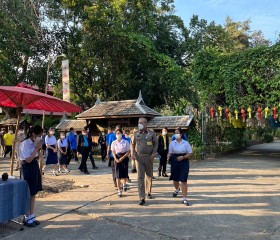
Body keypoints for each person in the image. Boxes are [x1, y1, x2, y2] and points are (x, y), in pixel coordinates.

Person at [19, 125, 43, 227]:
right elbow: (28, 160)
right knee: (28, 193)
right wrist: (36, 149)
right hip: (27, 168)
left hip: (34, 167)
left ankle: (32, 215)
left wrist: (40, 149)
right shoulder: (24, 144)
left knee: (33, 193)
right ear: (34, 134)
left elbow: (39, 158)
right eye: (39, 135)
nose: (40, 137)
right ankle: (26, 217)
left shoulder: (34, 143)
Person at [131, 118, 158, 206]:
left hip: (149, 157)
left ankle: (148, 192)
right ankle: (142, 198)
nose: (139, 124)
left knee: (149, 176)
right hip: (139, 158)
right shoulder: (135, 134)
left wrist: (154, 153)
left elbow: (155, 144)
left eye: (141, 123)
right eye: (138, 122)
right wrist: (133, 153)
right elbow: (132, 144)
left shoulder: (151, 133)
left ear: (146, 124)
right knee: (140, 178)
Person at [167, 127, 193, 206]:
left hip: (184, 160)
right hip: (175, 160)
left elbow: (190, 153)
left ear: (181, 134)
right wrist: (168, 156)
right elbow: (170, 152)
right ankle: (177, 189)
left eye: (177, 132)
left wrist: (184, 157)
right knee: (175, 179)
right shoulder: (172, 143)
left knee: (184, 180)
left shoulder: (186, 143)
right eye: (175, 133)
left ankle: (184, 198)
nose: (176, 134)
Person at [111, 129, 130, 197]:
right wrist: (116, 159)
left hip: (124, 158)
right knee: (117, 175)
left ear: (122, 134)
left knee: (124, 174)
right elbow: (113, 151)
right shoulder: (114, 142)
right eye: (117, 133)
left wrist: (122, 158)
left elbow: (128, 151)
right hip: (117, 158)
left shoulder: (126, 142)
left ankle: (124, 184)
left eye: (119, 133)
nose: (118, 135)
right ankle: (119, 190)